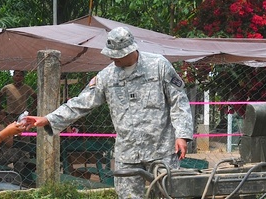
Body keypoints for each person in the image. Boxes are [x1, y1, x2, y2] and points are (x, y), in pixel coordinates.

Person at [28, 26, 194, 199]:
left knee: (168, 195)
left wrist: (182, 135)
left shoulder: (159, 66)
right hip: (128, 152)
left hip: (161, 150)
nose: (111, 58)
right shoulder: (107, 76)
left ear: (130, 51)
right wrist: (49, 119)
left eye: (116, 55)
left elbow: (179, 100)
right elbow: (82, 102)